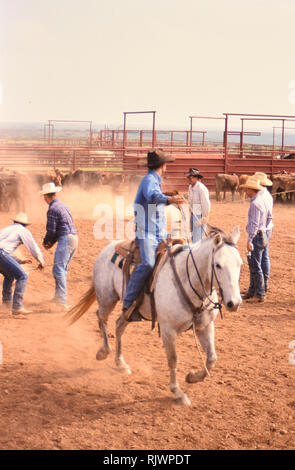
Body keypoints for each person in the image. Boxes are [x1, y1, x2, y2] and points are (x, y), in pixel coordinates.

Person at [122, 149, 185, 320]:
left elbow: (155, 197)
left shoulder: (154, 180)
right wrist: (169, 200)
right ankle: (128, 302)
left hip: (160, 232)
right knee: (148, 264)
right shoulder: (149, 180)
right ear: (163, 165)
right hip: (147, 233)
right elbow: (152, 196)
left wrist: (168, 196)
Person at [41, 182, 78, 310]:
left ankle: (61, 301)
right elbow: (61, 227)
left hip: (66, 239)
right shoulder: (63, 206)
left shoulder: (52, 209)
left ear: (46, 197)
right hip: (73, 238)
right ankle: (58, 297)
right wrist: (51, 242)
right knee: (62, 269)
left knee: (58, 269)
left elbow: (52, 231)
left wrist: (47, 242)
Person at [0, 212, 44, 315]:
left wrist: (19, 261)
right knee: (22, 276)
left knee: (9, 275)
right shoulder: (23, 230)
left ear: (14, 221)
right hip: (1, 253)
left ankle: (6, 305)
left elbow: (5, 249)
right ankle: (17, 307)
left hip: (2, 253)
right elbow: (32, 246)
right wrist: (41, 260)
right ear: (25, 224)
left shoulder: (6, 229)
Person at [239, 177, 272, 303]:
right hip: (263, 234)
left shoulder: (255, 204)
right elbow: (270, 217)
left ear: (250, 190)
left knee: (255, 265)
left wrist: (249, 239)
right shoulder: (263, 200)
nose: (245, 191)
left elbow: (254, 224)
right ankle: (253, 291)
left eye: (246, 189)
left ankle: (259, 293)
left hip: (257, 236)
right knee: (258, 263)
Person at [252, 172, 274, 291]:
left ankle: (258, 287)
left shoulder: (259, 197)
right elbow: (270, 215)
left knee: (256, 258)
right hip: (268, 227)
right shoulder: (268, 195)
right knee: (265, 256)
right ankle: (265, 283)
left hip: (261, 229)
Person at [185, 168, 210, 243]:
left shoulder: (202, 189)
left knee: (197, 240)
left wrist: (205, 216)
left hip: (200, 215)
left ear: (196, 178)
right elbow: (190, 200)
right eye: (188, 177)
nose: (188, 179)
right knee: (194, 238)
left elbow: (206, 203)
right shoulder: (190, 187)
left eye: (190, 177)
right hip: (193, 214)